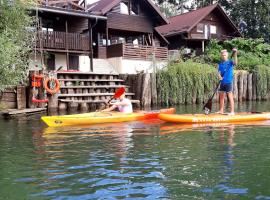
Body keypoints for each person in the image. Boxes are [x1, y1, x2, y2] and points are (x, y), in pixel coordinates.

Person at [216, 48, 238, 115]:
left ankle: (232, 112)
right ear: (221, 56)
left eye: (225, 55)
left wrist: (235, 54)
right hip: (222, 82)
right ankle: (221, 110)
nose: (223, 56)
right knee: (221, 96)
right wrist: (219, 77)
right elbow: (219, 72)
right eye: (222, 55)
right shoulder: (220, 64)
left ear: (227, 55)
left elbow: (236, 63)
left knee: (230, 96)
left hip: (228, 82)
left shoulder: (230, 62)